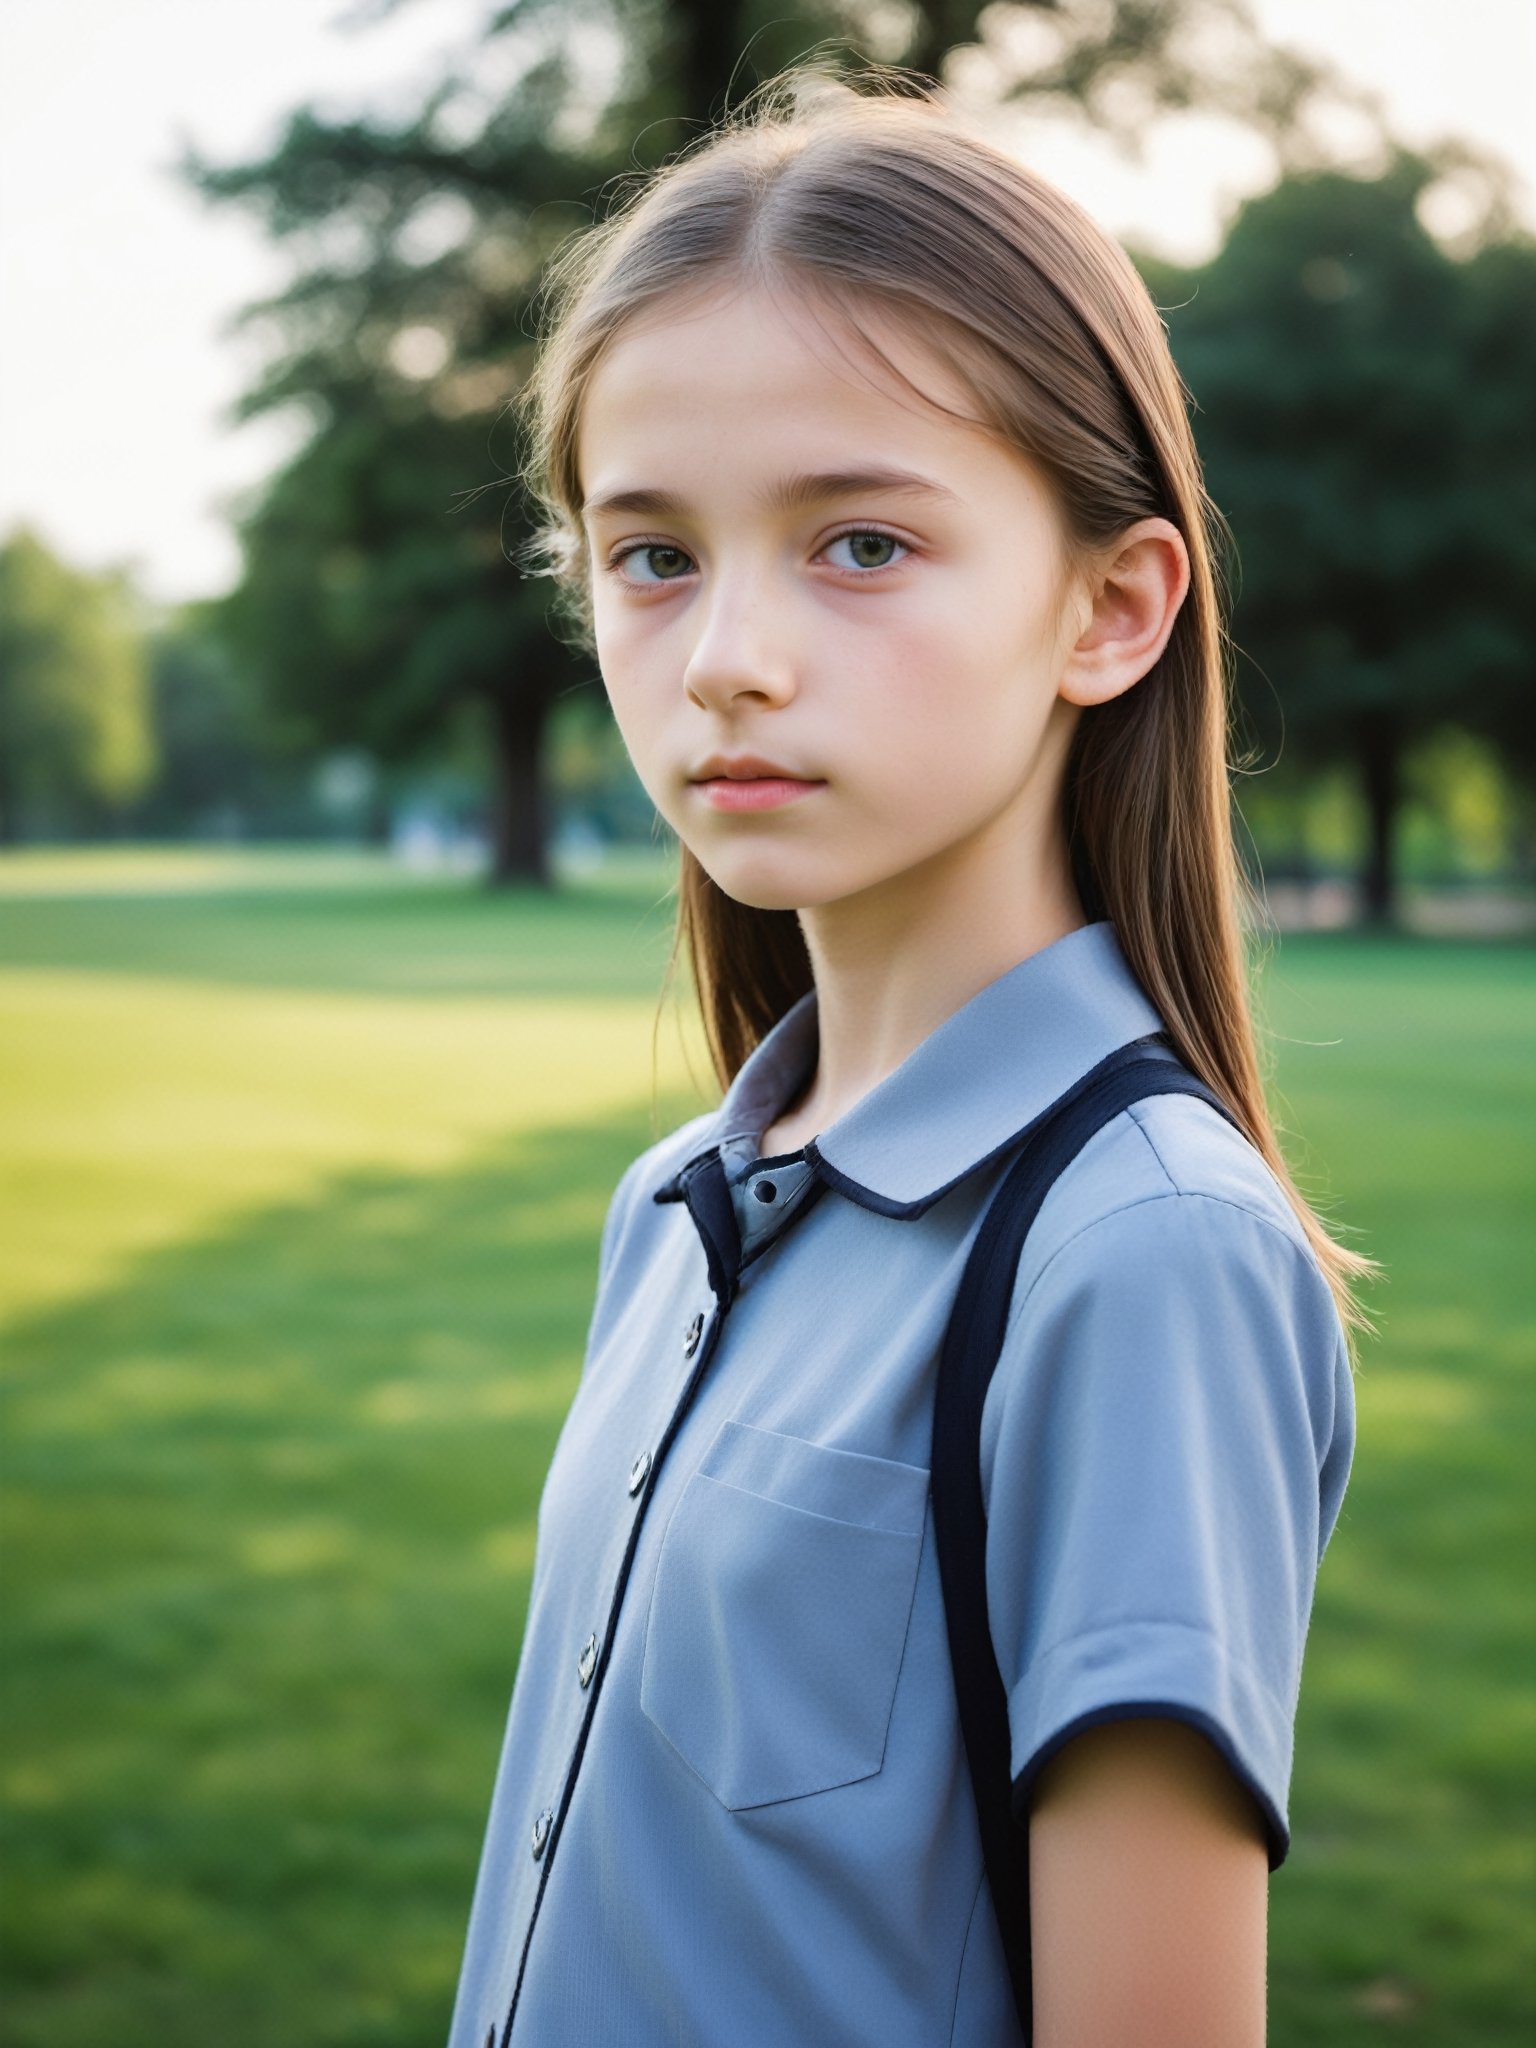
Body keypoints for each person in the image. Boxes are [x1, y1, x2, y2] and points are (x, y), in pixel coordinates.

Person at [448, 66, 1374, 2048]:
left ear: (1109, 608)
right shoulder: (678, 1205)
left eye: (860, 544)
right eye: (652, 554)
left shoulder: (1141, 1252)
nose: (724, 660)